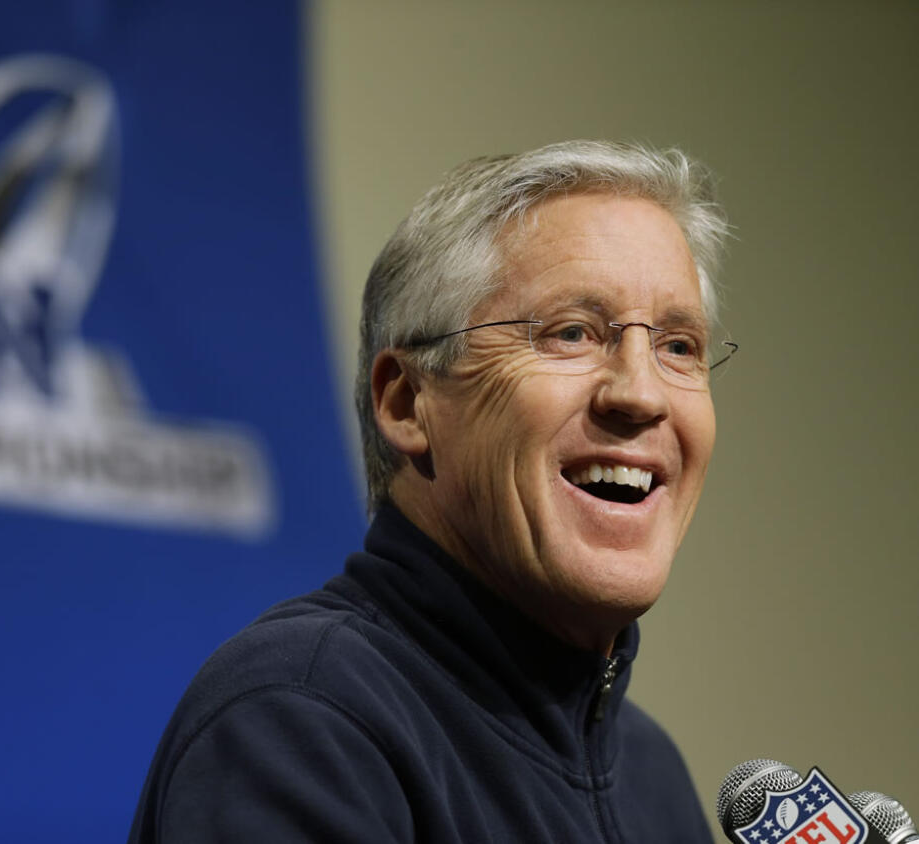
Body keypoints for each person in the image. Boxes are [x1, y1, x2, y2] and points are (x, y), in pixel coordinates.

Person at [128, 140, 733, 842]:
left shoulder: (654, 778)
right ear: (408, 402)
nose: (640, 393)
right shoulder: (303, 716)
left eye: (679, 346)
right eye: (572, 333)